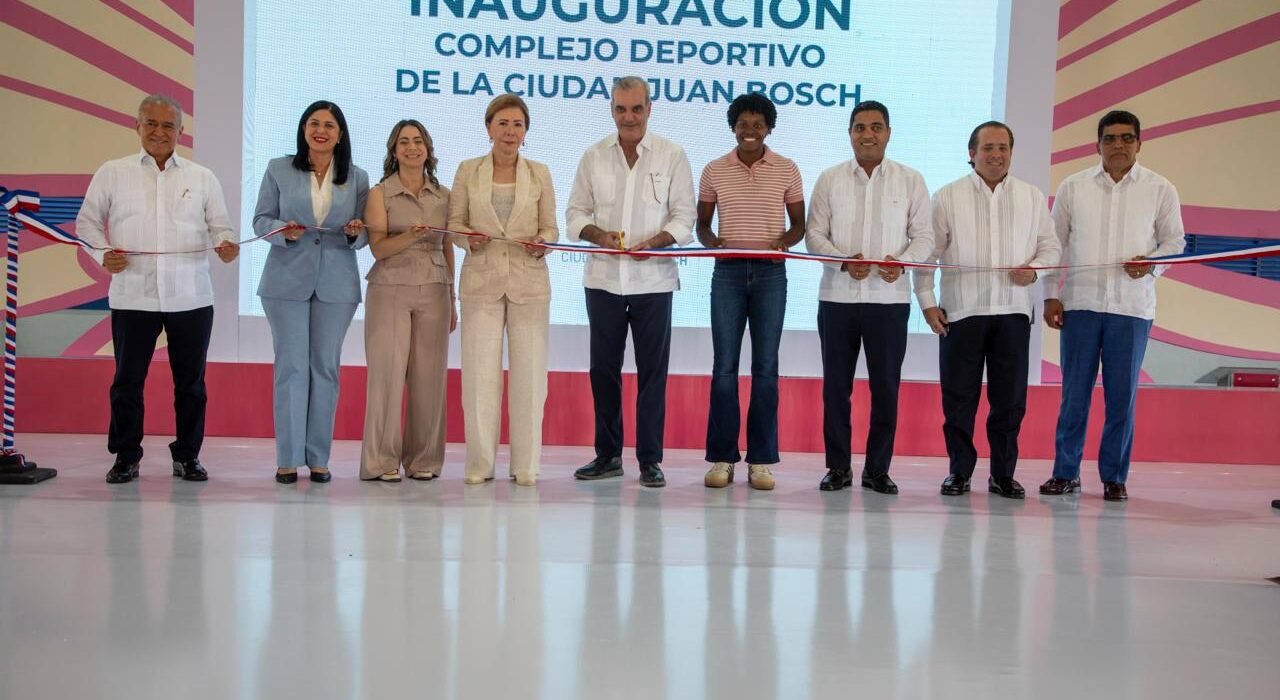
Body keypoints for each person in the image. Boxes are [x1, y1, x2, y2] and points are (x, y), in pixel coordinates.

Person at [77, 94, 239, 484]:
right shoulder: (112, 172)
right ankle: (126, 456)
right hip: (133, 295)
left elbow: (221, 227)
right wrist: (102, 254)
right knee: (127, 382)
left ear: (181, 131)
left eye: (168, 125)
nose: (159, 132)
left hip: (191, 297)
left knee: (191, 384)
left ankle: (188, 456)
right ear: (137, 126)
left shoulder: (202, 177)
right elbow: (87, 223)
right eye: (151, 123)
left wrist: (226, 244)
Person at [1040, 110, 1185, 501]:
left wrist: (1151, 264)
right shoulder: (1073, 187)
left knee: (1122, 398)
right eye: (1110, 138)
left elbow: (1175, 242)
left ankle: (1114, 477)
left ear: (1139, 143)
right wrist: (1051, 293)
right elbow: (1055, 245)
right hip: (1081, 304)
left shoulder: (1160, 188)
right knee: (1074, 395)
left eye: (1126, 138)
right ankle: (1065, 472)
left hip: (1132, 309)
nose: (1118, 145)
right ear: (1098, 144)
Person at [913, 121, 1061, 499]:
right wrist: (927, 302)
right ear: (972, 153)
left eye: (1003, 148)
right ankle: (959, 472)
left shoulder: (1031, 197)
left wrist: (1035, 270)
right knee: (959, 400)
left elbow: (1051, 248)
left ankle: (1003, 475)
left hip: (1013, 313)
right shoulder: (947, 196)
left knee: (1009, 402)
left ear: (1011, 152)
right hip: (961, 313)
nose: (996, 155)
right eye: (988, 148)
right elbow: (926, 254)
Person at [566, 76, 696, 488]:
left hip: (653, 281)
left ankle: (650, 460)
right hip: (603, 280)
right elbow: (575, 214)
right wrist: (598, 235)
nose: (629, 117)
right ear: (611, 110)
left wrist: (656, 243)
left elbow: (685, 218)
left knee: (653, 373)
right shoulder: (593, 156)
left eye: (636, 108)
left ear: (649, 108)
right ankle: (608, 455)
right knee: (603, 370)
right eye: (621, 109)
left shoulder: (672, 155)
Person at [805, 100, 934, 494]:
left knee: (886, 389)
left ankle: (877, 470)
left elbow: (924, 238)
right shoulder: (829, 179)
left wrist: (904, 263)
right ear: (850, 134)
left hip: (889, 302)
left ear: (888, 133)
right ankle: (838, 467)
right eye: (860, 127)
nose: (868, 134)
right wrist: (842, 261)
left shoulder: (911, 180)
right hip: (837, 299)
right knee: (835, 389)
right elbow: (814, 236)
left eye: (876, 127)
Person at [253, 100, 370, 484]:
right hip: (285, 281)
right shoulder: (278, 168)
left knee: (325, 369)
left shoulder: (357, 177)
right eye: (314, 123)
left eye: (329, 125)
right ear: (304, 129)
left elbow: (365, 234)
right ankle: (288, 458)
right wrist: (281, 230)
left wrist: (354, 232)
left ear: (340, 134)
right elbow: (260, 220)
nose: (321, 130)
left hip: (337, 284)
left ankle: (318, 458)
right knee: (292, 367)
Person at [697, 92, 805, 491]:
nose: (750, 131)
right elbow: (702, 225)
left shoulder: (787, 168)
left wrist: (785, 241)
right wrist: (710, 241)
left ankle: (760, 460)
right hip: (726, 274)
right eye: (743, 124)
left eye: (758, 124)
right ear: (733, 126)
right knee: (724, 368)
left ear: (769, 128)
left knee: (766, 368)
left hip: (771, 275)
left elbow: (800, 225)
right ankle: (722, 458)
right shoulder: (714, 169)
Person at [448, 94, 558, 486]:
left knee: (531, 377)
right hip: (482, 282)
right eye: (503, 123)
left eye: (518, 125)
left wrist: (543, 243)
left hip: (529, 283)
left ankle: (526, 465)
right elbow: (454, 222)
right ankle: (480, 465)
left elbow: (550, 228)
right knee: (479, 377)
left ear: (526, 132)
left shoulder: (540, 173)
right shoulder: (468, 170)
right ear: (489, 128)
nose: (510, 131)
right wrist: (467, 238)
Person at [359, 119, 455, 482]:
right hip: (390, 287)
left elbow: (447, 247)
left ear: (427, 149)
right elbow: (378, 248)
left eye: (418, 141)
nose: (412, 147)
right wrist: (411, 237)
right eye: (404, 142)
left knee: (430, 378)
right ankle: (381, 461)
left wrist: (452, 298)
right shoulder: (379, 194)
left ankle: (424, 460)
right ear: (394, 150)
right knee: (386, 375)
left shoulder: (444, 195)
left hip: (435, 288)